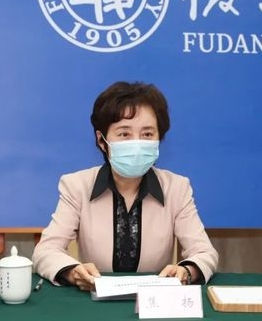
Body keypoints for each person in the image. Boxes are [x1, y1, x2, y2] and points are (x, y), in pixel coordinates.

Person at [33, 81, 218, 290]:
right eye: (124, 134)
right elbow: (46, 251)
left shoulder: (176, 187)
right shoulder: (77, 186)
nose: (136, 144)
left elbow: (204, 253)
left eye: (147, 134)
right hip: (94, 299)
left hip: (154, 301)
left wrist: (187, 271)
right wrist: (73, 272)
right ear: (102, 140)